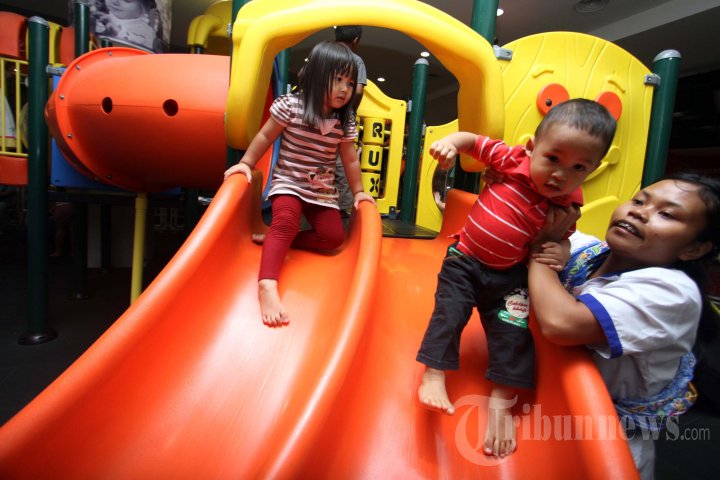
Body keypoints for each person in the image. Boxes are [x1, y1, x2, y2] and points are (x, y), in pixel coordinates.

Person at [415, 98, 617, 458]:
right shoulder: (511, 160)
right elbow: (473, 141)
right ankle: (433, 374)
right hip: (466, 260)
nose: (560, 174)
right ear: (532, 147)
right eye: (552, 158)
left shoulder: (567, 205)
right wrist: (450, 144)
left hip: (510, 276)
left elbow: (562, 238)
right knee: (450, 312)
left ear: (592, 169)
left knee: (514, 332)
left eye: (578, 167)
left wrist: (562, 251)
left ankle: (501, 399)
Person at [529, 172, 720, 479]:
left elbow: (561, 323)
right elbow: (533, 225)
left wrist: (541, 252)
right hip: (547, 409)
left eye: (667, 214)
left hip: (607, 440)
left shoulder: (672, 292)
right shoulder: (590, 253)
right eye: (639, 200)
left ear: (694, 249)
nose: (639, 212)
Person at [223, 41, 376, 327]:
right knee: (286, 221)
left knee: (333, 238)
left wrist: (358, 192)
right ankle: (267, 284)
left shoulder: (344, 121)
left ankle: (279, 239)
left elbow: (350, 159)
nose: (345, 89)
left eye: (350, 82)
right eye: (338, 79)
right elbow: (265, 136)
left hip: (321, 191)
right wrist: (246, 163)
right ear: (317, 75)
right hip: (289, 183)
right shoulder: (291, 106)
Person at [334, 26, 367, 216]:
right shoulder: (356, 60)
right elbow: (359, 91)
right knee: (344, 160)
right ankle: (342, 206)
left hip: (319, 113)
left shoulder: (325, 53)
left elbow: (302, 75)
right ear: (356, 40)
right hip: (343, 115)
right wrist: (351, 111)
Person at [93, 0, 162, 52]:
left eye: (127, 0)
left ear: (145, 7)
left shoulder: (144, 31)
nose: (115, 2)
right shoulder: (106, 16)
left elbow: (139, 52)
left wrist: (116, 33)